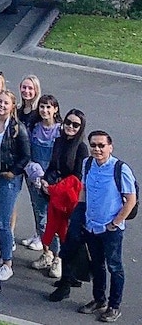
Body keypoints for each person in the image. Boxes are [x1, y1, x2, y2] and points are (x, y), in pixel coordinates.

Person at [77, 130, 137, 323]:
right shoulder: (87, 164)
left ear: (110, 147)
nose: (97, 149)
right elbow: (84, 190)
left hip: (111, 230)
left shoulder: (120, 168)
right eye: (93, 145)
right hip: (92, 226)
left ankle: (114, 306)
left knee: (114, 267)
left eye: (101, 145)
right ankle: (99, 300)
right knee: (96, 265)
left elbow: (130, 200)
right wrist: (82, 217)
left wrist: (115, 223)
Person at [44, 109, 89, 302]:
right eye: (68, 123)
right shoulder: (59, 142)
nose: (70, 127)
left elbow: (78, 177)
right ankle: (72, 277)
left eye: (75, 125)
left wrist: (55, 187)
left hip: (72, 200)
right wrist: (46, 181)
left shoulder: (82, 148)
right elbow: (53, 166)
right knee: (63, 238)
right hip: (57, 195)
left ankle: (65, 285)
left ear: (81, 128)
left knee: (69, 242)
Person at [0, 89, 30, 282]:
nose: (2, 106)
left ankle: (7, 263)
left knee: (2, 221)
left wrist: (13, 171)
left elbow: (26, 155)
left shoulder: (17, 128)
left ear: (13, 106)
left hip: (8, 179)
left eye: (6, 103)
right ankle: (6, 244)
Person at [27, 95, 63, 276]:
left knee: (55, 221)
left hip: (55, 183)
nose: (45, 110)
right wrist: (36, 175)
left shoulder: (61, 131)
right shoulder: (33, 128)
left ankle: (58, 258)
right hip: (36, 180)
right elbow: (28, 155)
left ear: (55, 109)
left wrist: (51, 180)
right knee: (41, 219)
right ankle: (46, 253)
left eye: (49, 107)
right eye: (42, 107)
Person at [18, 74, 43, 251]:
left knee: (40, 202)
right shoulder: (19, 111)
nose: (27, 91)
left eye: (30, 88)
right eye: (24, 87)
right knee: (33, 202)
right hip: (23, 163)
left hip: (35, 165)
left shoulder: (39, 113)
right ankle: (37, 233)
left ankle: (43, 237)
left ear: (36, 91)